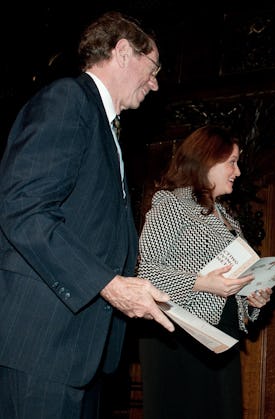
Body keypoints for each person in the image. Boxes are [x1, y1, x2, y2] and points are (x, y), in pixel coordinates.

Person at [0, 11, 175, 419]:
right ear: (123, 51)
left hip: (83, 348)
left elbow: (98, 235)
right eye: (154, 68)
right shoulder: (67, 100)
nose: (155, 82)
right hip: (42, 343)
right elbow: (24, 211)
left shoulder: (107, 126)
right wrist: (108, 284)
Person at [137, 124, 273, 419]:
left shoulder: (230, 219)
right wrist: (201, 283)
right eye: (232, 162)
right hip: (179, 336)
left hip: (221, 337)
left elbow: (232, 282)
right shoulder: (170, 204)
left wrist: (252, 301)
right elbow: (145, 272)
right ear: (207, 160)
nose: (237, 171)